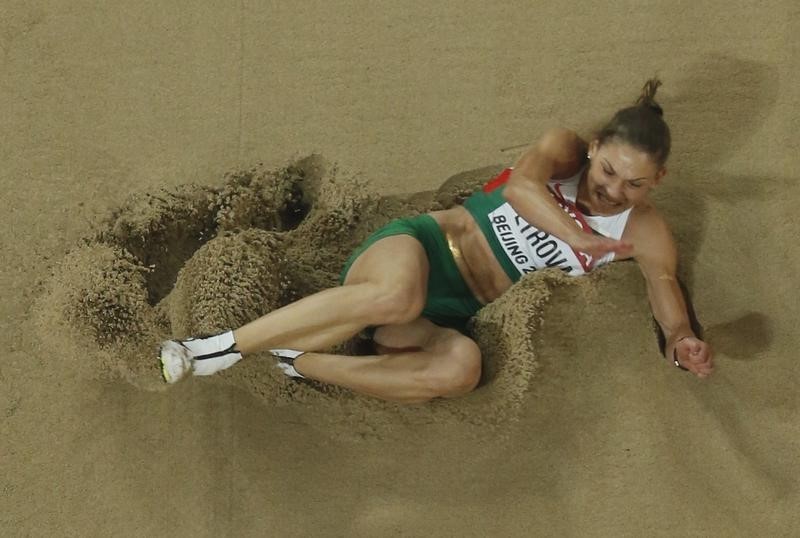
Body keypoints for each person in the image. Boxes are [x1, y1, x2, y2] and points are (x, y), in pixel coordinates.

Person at [159, 78, 714, 403]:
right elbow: (520, 188)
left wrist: (682, 339)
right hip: (417, 250)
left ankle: (298, 363)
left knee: (461, 369)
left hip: (449, 309)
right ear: (595, 148)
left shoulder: (644, 229)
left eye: (634, 184)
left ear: (656, 182)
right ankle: (214, 348)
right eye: (610, 171)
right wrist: (575, 235)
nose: (614, 189)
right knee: (398, 294)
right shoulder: (563, 150)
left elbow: (663, 287)